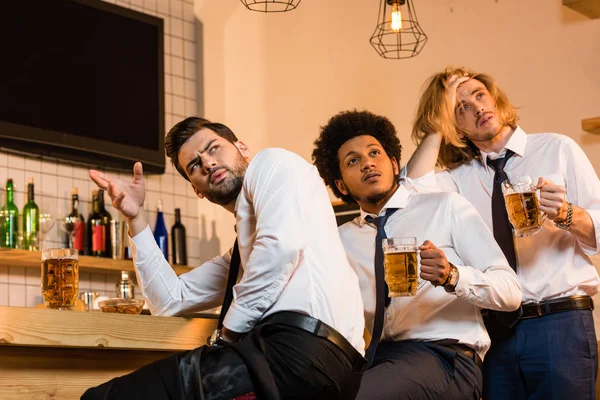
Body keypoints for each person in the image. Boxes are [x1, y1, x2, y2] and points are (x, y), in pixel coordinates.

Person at [83, 117, 367, 400]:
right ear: (197, 190)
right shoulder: (243, 253)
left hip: (303, 352)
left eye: (213, 148)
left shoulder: (273, 162)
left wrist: (227, 336)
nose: (207, 163)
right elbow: (169, 300)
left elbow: (280, 248)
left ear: (242, 148)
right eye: (194, 165)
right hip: (311, 367)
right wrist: (137, 217)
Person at [407, 67, 600, 400]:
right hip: (494, 330)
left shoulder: (556, 149)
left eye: (479, 95)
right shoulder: (457, 179)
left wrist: (568, 213)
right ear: (454, 127)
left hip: (559, 321)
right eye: (460, 108)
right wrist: (438, 119)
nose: (477, 108)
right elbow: (411, 189)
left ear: (495, 97)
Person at [311, 110, 522, 400]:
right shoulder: (341, 239)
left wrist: (452, 276)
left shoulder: (445, 206)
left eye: (375, 153)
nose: (368, 163)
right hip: (381, 361)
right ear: (341, 185)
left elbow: (511, 294)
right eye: (353, 160)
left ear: (395, 162)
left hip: (446, 356)